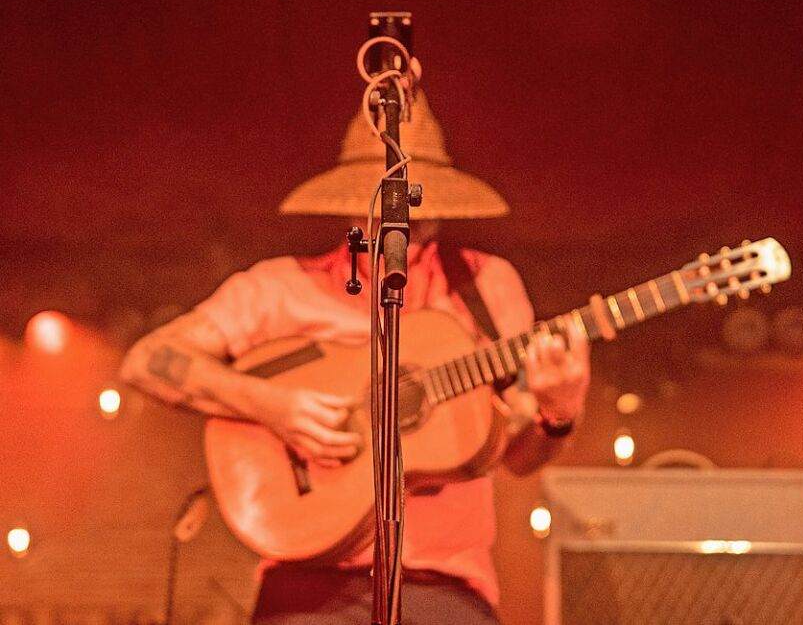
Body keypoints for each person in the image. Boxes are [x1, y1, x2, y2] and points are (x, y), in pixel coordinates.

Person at [118, 77, 591, 624]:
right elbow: (146, 361)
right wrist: (273, 407)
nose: (412, 222)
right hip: (308, 582)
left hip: (445, 587)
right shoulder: (279, 289)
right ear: (353, 208)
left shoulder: (489, 285)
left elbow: (515, 456)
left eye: (424, 203)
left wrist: (558, 417)